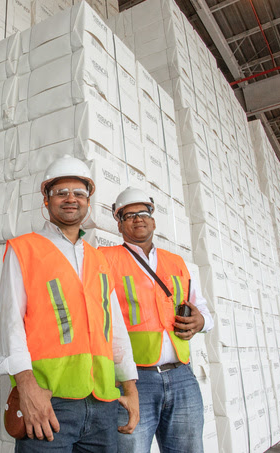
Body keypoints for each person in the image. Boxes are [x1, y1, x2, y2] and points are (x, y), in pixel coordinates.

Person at [0, 154, 140, 452]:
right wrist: (27, 388)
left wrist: (130, 386)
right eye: (61, 193)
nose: (71, 199)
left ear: (88, 202)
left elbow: (115, 327)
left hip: (103, 402)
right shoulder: (24, 249)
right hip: (50, 402)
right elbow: (10, 323)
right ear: (46, 200)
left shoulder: (98, 258)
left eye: (79, 193)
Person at [99, 187, 214, 453]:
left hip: (182, 375)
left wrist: (202, 322)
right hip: (133, 380)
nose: (138, 218)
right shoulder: (105, 259)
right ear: (119, 223)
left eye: (143, 213)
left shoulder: (176, 263)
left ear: (153, 219)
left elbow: (205, 312)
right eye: (129, 215)